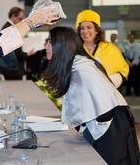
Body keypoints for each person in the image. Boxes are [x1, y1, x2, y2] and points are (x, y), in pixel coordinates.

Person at [43, 26, 140, 165]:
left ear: (62, 45)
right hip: (106, 120)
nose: (46, 46)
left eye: (50, 41)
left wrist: (85, 129)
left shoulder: (82, 69)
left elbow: (98, 108)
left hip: (112, 123)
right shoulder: (75, 64)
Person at [76, 10, 129, 88]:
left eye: (89, 27)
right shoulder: (75, 50)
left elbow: (123, 71)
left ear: (96, 30)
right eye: (82, 28)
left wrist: (106, 84)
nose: (85, 31)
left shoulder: (110, 49)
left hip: (105, 94)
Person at [1, 7, 36, 80]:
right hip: (13, 69)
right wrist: (28, 54)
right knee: (14, 90)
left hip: (11, 68)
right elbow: (16, 52)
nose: (21, 21)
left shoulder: (7, 27)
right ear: (13, 16)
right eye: (20, 19)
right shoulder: (10, 29)